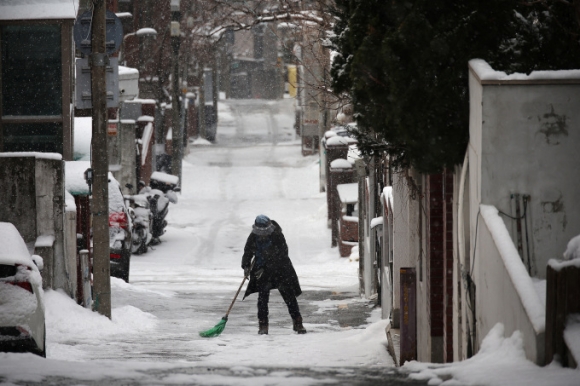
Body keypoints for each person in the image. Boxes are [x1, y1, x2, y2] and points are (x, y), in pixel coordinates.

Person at [241, 215, 307, 335]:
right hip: (262, 273)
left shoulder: (277, 235)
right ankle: (263, 325)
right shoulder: (253, 236)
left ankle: (298, 322)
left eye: (264, 232)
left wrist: (265, 265)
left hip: (281, 270)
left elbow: (282, 254)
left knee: (289, 297)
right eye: (260, 232)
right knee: (262, 299)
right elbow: (248, 251)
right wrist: (246, 266)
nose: (262, 234)